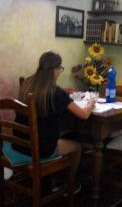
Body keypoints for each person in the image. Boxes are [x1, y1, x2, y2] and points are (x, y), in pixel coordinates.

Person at [12, 51, 96, 190]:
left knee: (64, 134)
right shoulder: (56, 92)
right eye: (60, 69)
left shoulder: (27, 84)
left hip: (19, 143)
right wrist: (90, 104)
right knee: (78, 146)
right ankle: (69, 184)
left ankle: (53, 177)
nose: (60, 72)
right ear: (54, 69)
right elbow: (84, 115)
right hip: (40, 149)